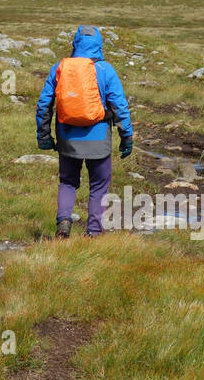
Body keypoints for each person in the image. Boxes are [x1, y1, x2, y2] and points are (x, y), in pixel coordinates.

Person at [35, 25, 133, 238]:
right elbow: (120, 107)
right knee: (99, 185)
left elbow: (44, 104)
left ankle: (63, 222)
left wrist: (44, 136)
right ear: (99, 45)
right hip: (99, 141)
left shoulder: (59, 68)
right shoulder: (107, 70)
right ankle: (94, 232)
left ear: (75, 44)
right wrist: (127, 138)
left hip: (67, 138)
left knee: (68, 182)